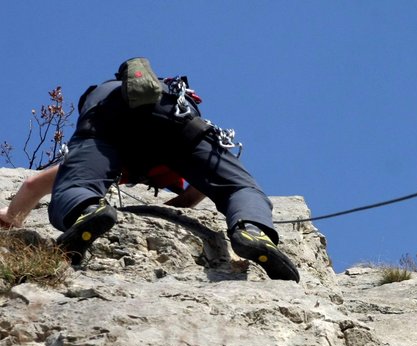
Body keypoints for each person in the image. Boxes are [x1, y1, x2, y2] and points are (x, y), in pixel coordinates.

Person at [47, 58, 299, 282]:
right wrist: (175, 207)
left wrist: (11, 215)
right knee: (241, 188)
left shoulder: (104, 102)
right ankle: (251, 230)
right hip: (176, 120)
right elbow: (208, 188)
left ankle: (87, 210)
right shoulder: (167, 96)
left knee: (76, 187)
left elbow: (41, 183)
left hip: (103, 121)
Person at [0, 164, 204, 228]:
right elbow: (194, 195)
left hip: (116, 162)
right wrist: (163, 209)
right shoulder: (190, 144)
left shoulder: (101, 154)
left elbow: (32, 185)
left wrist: (11, 216)